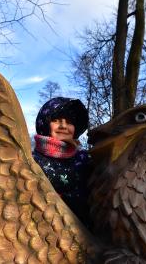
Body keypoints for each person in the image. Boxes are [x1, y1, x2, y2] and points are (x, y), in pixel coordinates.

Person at [33, 97, 91, 226]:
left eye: (69, 122)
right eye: (56, 120)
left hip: (85, 234)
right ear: (44, 123)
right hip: (40, 229)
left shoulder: (86, 159)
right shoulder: (31, 160)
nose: (63, 126)